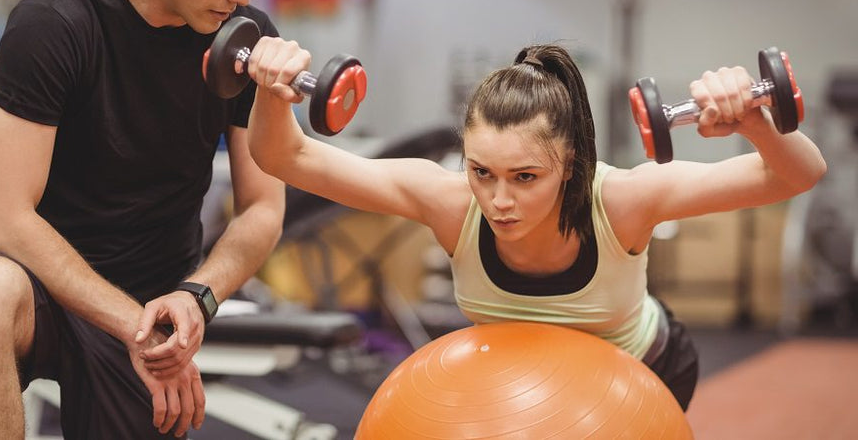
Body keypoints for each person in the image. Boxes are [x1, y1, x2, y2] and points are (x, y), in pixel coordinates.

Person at [245, 40, 826, 411]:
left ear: (570, 164)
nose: (499, 201)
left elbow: (797, 175)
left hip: (640, 379)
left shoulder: (622, 199)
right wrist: (272, 93)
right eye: (482, 172)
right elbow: (288, 159)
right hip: (514, 390)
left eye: (525, 178)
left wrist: (755, 123)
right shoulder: (449, 201)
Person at [0, 0, 292, 439]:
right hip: (44, 288)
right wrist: (134, 324)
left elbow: (264, 207)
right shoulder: (57, 22)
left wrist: (196, 298)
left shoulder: (243, 40)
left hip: (159, 297)